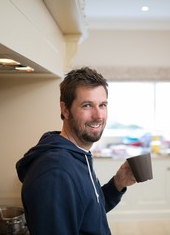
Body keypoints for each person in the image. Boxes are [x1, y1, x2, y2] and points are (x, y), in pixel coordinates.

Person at [16, 67, 136, 235]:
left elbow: (89, 213)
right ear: (65, 110)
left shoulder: (77, 154)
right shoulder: (56, 173)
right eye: (87, 105)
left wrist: (117, 184)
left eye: (102, 105)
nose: (98, 115)